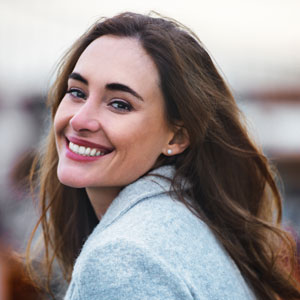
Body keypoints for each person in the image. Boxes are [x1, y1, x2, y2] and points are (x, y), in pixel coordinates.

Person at [27, 12, 300, 300]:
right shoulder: (193, 225)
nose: (81, 120)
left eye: (119, 104)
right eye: (77, 92)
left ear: (177, 137)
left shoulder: (124, 260)